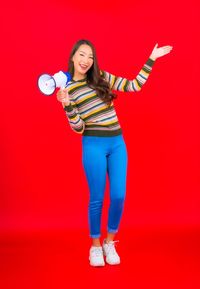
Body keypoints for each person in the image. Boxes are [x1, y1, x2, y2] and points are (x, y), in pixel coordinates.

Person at [56, 39, 173, 267]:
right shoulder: (67, 90)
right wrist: (68, 105)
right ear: (73, 57)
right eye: (82, 55)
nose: (86, 60)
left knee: (119, 195)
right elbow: (78, 128)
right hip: (93, 145)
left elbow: (134, 85)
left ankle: (110, 242)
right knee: (97, 197)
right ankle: (95, 246)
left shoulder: (102, 77)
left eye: (90, 56)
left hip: (117, 143)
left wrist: (152, 58)